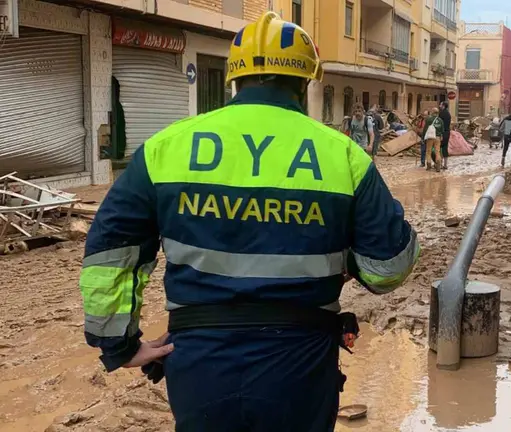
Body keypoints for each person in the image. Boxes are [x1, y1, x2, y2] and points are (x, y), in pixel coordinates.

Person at [78, 12, 420, 432]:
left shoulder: (165, 148)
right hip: (301, 361)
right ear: (306, 81)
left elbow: (110, 252)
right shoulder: (343, 155)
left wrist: (119, 345)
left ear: (234, 80)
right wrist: (346, 258)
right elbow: (389, 268)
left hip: (199, 361)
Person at [422, 107, 444, 172]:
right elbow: (442, 130)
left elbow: (425, 129)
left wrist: (423, 137)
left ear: (433, 112)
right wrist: (440, 136)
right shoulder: (440, 120)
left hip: (430, 137)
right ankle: (438, 167)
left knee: (428, 151)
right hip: (437, 137)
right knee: (437, 152)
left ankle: (429, 166)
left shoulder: (429, 119)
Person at [438, 101, 451, 170]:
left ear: (443, 106)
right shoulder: (448, 113)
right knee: (445, 148)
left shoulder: (441, 113)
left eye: (440, 104)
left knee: (439, 148)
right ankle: (445, 165)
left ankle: (439, 164)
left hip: (442, 133)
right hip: (447, 133)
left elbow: (439, 124)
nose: (439, 105)